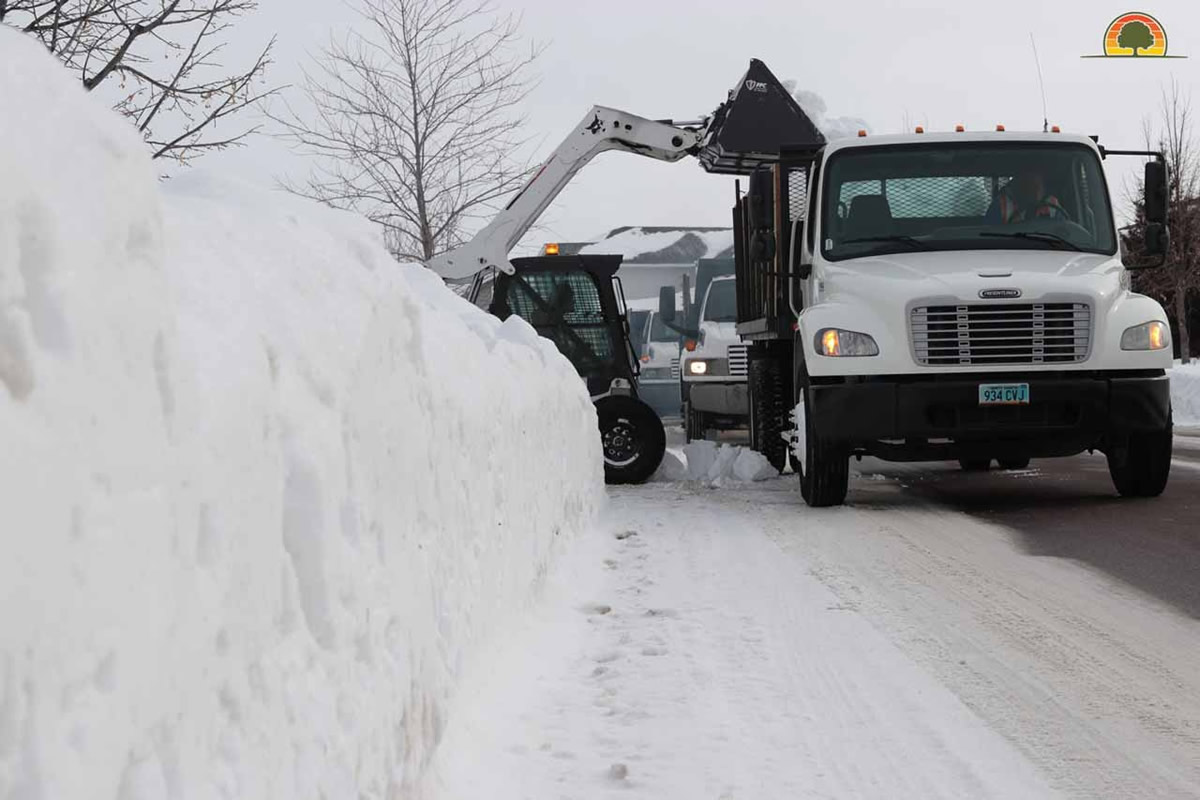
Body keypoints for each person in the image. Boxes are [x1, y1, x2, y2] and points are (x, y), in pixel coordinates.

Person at [985, 169, 1068, 224]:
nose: (1035, 191)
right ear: (1017, 184)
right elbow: (990, 236)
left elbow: (1063, 232)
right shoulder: (1001, 205)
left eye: (1037, 186)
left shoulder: (1052, 205)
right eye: (1028, 185)